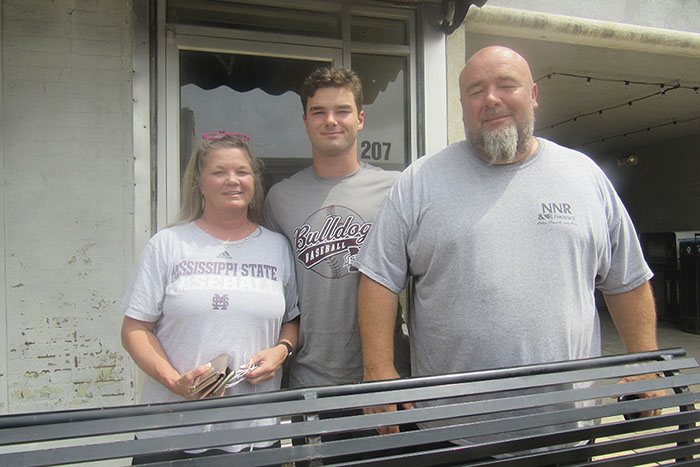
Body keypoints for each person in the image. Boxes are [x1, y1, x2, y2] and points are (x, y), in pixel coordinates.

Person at [355, 46, 662, 439]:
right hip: (453, 429)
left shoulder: (584, 177)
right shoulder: (420, 182)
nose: (492, 99)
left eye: (506, 85)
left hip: (569, 424)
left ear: (533, 95)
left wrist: (644, 361)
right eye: (476, 90)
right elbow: (378, 278)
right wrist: (378, 370)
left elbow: (627, 279)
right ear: (463, 103)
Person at [121, 133, 300, 463]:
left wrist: (280, 351)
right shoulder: (168, 245)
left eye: (242, 172)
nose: (233, 180)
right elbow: (135, 330)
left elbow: (291, 320)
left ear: (254, 181)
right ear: (199, 183)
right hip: (171, 435)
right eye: (219, 172)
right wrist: (175, 382)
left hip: (255, 435)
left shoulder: (277, 247)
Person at [263, 67, 408, 391]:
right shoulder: (280, 199)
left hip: (385, 380)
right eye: (318, 112)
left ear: (360, 119)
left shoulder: (395, 189)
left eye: (342, 111)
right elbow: (274, 295)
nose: (331, 120)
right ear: (305, 122)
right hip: (309, 383)